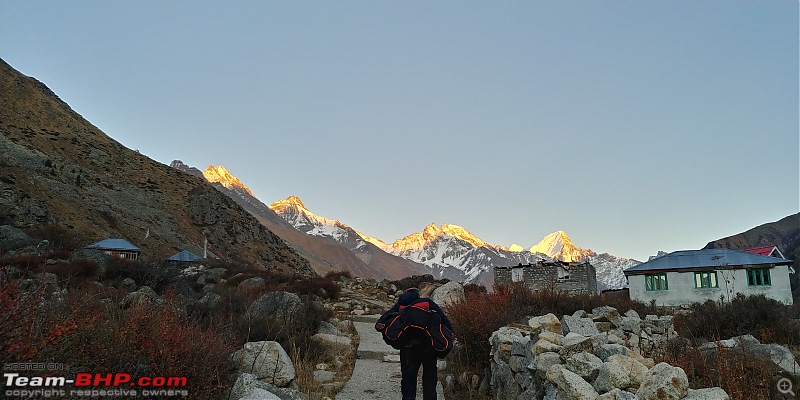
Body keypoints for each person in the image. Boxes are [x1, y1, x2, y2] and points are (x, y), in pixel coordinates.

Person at [375, 287, 453, 400]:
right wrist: (451, 333)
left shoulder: (401, 305)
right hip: (429, 348)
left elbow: (386, 317)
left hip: (408, 348)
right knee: (430, 378)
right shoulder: (427, 302)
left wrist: (379, 324)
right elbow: (443, 319)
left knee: (408, 378)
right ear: (418, 295)